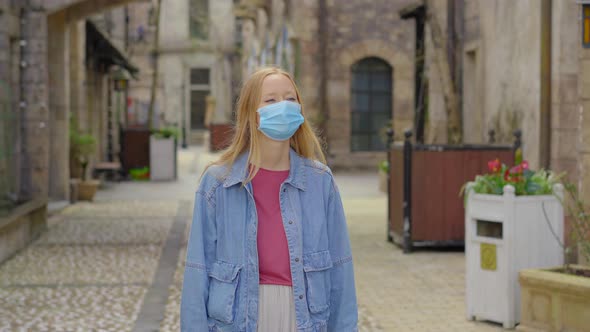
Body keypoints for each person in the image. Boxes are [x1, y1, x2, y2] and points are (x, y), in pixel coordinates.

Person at [180, 66, 358, 332]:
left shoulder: (321, 182)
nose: (283, 107)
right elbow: (197, 269)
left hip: (304, 318)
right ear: (251, 113)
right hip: (240, 319)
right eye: (271, 100)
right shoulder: (218, 184)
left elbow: (341, 268)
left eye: (290, 98)